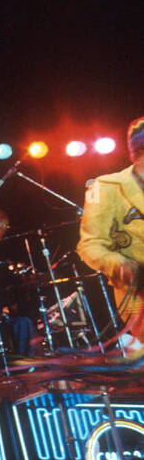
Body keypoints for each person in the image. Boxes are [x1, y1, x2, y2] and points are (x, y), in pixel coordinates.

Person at [78, 114, 144, 344]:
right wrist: (120, 265)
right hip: (138, 292)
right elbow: (90, 244)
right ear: (137, 153)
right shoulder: (107, 187)